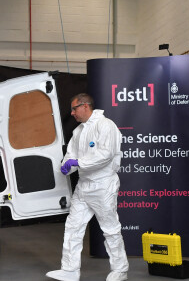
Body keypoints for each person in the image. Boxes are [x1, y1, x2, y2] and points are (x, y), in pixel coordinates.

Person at [46, 93, 129, 281]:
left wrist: (78, 162)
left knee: (110, 228)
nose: (72, 113)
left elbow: (105, 155)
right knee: (73, 226)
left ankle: (120, 269)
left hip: (103, 184)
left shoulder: (106, 125)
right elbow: (70, 155)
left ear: (85, 106)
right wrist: (66, 165)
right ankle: (70, 270)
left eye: (74, 108)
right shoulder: (78, 132)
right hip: (84, 186)